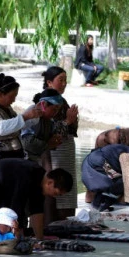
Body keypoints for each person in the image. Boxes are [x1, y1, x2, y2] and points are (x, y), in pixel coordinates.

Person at [0, 157, 73, 240]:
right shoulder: (26, 176)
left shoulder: (40, 181)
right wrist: (19, 237)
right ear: (50, 182)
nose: (55, 196)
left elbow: (37, 212)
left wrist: (40, 239)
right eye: (57, 193)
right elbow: (14, 210)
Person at [41, 67, 79, 223]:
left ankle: (61, 225)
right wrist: (68, 121)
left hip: (65, 152)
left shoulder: (60, 100)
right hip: (54, 152)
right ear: (49, 82)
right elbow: (47, 129)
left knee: (65, 188)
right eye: (60, 80)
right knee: (54, 186)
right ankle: (49, 225)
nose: (64, 83)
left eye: (65, 80)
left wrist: (72, 122)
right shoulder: (45, 101)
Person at [0, 73, 42, 158]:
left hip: (13, 154)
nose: (14, 100)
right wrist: (25, 116)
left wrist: (33, 116)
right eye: (12, 96)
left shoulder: (6, 108)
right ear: (0, 94)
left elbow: (17, 126)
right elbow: (0, 128)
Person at [81, 144, 129, 211]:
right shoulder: (127, 157)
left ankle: (102, 205)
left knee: (119, 184)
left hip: (103, 166)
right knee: (120, 184)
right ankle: (97, 205)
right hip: (94, 166)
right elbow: (128, 180)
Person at [21, 88, 63, 161]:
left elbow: (49, 141)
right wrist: (48, 145)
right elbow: (27, 143)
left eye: (58, 110)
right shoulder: (32, 115)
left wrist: (55, 140)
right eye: (54, 109)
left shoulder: (49, 120)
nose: (56, 112)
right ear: (44, 104)